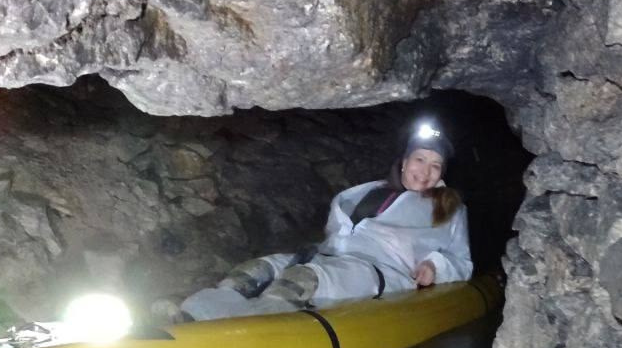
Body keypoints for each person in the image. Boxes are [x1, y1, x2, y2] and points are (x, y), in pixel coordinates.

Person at [179, 120, 472, 321]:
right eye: (420, 159)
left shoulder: (448, 208)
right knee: (256, 270)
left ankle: (248, 333)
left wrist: (435, 266)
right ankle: (192, 315)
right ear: (405, 162)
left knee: (300, 280)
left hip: (381, 271)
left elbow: (462, 261)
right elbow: (336, 234)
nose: (426, 171)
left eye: (435, 165)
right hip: (328, 257)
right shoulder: (368, 192)